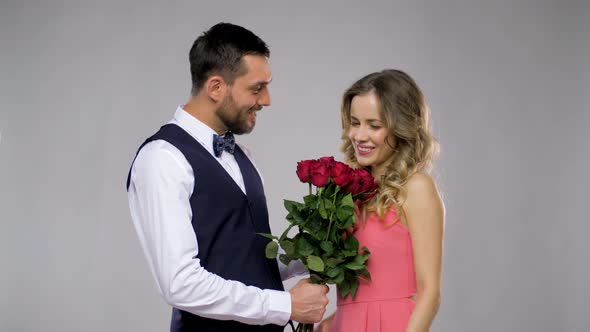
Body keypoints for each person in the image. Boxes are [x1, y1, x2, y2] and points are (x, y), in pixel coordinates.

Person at [126, 22, 328, 332]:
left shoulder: (242, 155)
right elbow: (180, 284)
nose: (267, 100)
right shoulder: (162, 159)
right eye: (256, 88)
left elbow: (247, 261)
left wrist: (319, 248)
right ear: (216, 87)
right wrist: (286, 306)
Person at [318, 69, 444, 331]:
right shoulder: (348, 193)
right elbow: (356, 301)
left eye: (374, 126)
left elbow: (429, 293)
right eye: (355, 122)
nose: (359, 136)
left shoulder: (416, 188)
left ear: (401, 128)